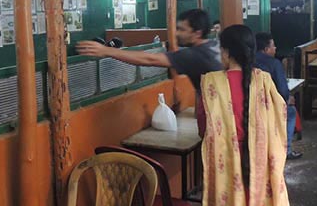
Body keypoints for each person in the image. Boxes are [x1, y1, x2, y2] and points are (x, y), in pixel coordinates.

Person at [200, 25, 292, 206]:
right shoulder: (263, 81)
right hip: (258, 182)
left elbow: (202, 130)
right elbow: (280, 120)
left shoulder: (210, 84)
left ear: (226, 52)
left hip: (223, 185)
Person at [76, 9, 222, 130]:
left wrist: (107, 51)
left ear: (197, 33)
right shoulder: (214, 45)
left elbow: (150, 59)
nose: (177, 33)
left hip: (220, 120)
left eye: (182, 29)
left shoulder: (194, 55)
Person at [254, 32, 302, 160]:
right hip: (270, 106)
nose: (275, 49)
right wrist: (287, 99)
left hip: (252, 104)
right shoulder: (274, 63)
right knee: (291, 111)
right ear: (266, 49)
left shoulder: (248, 61)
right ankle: (286, 150)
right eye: (273, 46)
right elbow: (282, 90)